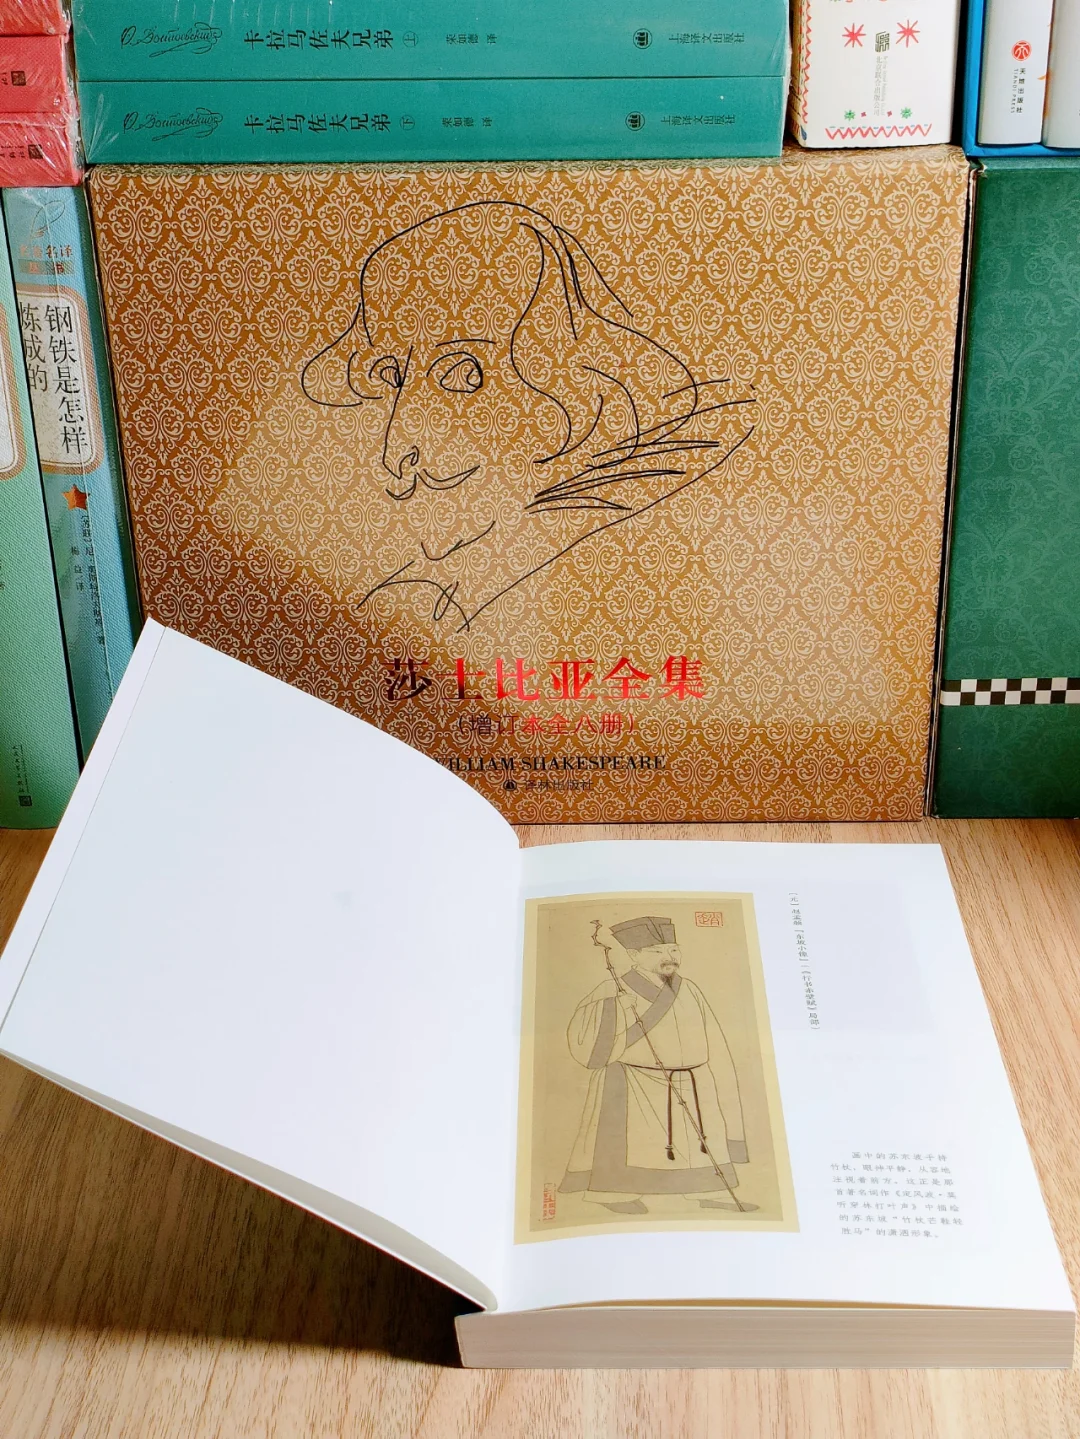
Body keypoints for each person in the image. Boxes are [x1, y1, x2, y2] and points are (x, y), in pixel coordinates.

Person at [301, 200, 755, 631]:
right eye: (395, 377)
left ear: (559, 372)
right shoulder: (433, 580)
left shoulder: (623, 528)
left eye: (461, 375)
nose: (396, 450)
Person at [560, 915, 752, 1215]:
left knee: (700, 1142)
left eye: (674, 949)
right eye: (658, 951)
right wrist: (615, 1008)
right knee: (632, 1143)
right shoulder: (613, 989)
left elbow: (713, 1040)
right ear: (634, 955)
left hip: (691, 1082)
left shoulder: (689, 989)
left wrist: (717, 1075)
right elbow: (586, 1043)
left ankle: (710, 1191)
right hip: (634, 1082)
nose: (669, 957)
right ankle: (614, 1194)